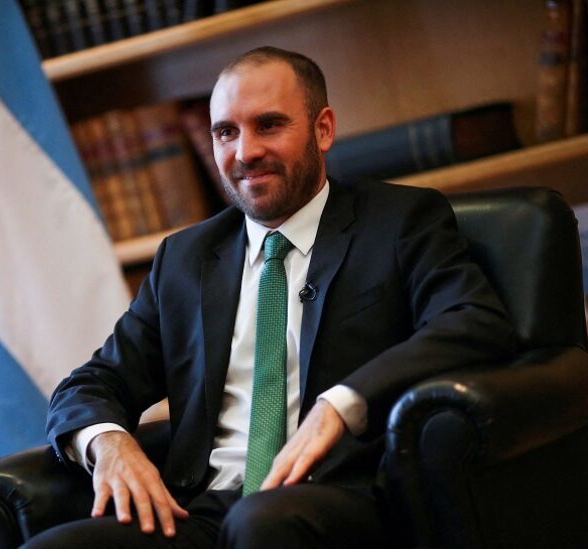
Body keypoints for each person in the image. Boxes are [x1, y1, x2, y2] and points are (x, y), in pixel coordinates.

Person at [25, 46, 515, 548]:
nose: (245, 152)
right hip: (200, 510)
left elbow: (472, 319)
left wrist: (341, 404)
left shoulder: (399, 222)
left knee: (260, 524)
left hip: (338, 496)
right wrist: (108, 442)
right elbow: (94, 382)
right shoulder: (186, 258)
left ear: (323, 129)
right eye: (226, 132)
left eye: (269, 125)